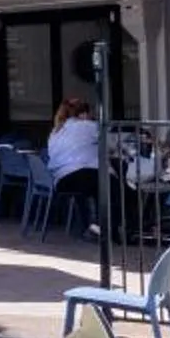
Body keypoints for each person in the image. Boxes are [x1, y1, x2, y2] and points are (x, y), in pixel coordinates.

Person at [48, 95, 102, 234]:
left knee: (89, 184)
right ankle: (106, 227)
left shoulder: (56, 131)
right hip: (80, 174)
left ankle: (88, 226)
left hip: (61, 179)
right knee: (109, 186)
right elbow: (110, 142)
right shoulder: (88, 126)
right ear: (83, 114)